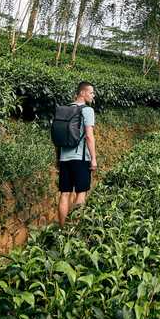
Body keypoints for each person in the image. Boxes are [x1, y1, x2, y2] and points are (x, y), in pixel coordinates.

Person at [57, 81, 97, 225]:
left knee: (64, 193)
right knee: (81, 193)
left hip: (64, 158)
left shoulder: (64, 109)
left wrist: (58, 158)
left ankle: (61, 228)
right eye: (91, 92)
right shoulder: (87, 110)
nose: (93, 95)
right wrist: (93, 158)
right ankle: (74, 228)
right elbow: (89, 136)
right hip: (80, 158)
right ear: (83, 93)